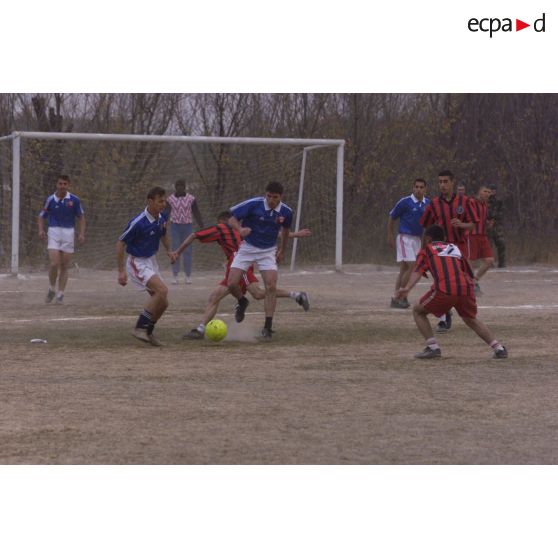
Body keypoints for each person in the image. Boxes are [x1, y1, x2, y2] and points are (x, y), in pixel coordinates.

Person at [169, 211, 311, 339]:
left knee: (257, 293)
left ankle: (243, 302)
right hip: (239, 264)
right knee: (217, 296)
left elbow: (194, 235)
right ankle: (200, 329)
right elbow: (275, 234)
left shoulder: (221, 227)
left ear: (222, 220)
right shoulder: (245, 227)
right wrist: (295, 234)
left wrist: (177, 252)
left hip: (239, 264)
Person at [397, 224, 508, 360]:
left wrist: (407, 288)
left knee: (418, 311)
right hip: (466, 289)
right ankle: (499, 348)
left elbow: (417, 271)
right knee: (471, 319)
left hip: (446, 290)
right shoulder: (454, 248)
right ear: (444, 238)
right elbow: (467, 270)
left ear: (427, 239)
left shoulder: (427, 250)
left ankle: (433, 348)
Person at [227, 181, 293, 339]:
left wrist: (282, 249)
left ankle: (268, 327)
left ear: (280, 197)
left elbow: (285, 232)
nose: (270, 200)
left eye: (274, 197)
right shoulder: (253, 204)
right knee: (231, 284)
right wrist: (240, 229)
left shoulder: (287, 212)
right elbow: (231, 219)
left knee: (270, 285)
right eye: (268, 196)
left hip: (268, 251)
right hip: (247, 248)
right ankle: (242, 302)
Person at [419, 170, 479, 333]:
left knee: (459, 279)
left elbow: (473, 224)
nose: (443, 185)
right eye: (440, 182)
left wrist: (461, 224)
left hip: (458, 247)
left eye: (446, 181)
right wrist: (424, 247)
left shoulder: (465, 201)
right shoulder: (434, 203)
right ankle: (444, 318)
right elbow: (426, 225)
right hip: (440, 248)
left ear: (452, 183)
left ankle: (467, 311)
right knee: (441, 279)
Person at [116, 186, 172, 346]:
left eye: (164, 200)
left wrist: (169, 250)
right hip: (137, 262)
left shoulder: (162, 217)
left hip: (151, 261)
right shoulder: (138, 222)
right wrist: (121, 272)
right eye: (160, 201)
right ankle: (139, 328)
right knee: (162, 291)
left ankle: (148, 332)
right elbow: (120, 243)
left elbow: (163, 233)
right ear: (150, 201)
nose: (163, 204)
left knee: (163, 302)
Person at [37, 174, 86, 304]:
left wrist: (81, 233)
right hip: (53, 231)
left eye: (65, 184)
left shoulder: (74, 200)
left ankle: (60, 294)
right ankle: (52, 288)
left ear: (68, 185)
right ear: (56, 185)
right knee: (54, 263)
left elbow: (81, 217)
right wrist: (41, 230)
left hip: (68, 233)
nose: (62, 186)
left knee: (64, 265)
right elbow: (41, 216)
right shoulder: (50, 200)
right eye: (60, 184)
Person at [387, 178, 429, 309]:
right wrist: (389, 235)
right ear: (413, 188)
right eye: (416, 187)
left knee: (404, 269)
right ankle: (400, 296)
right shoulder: (405, 202)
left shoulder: (428, 203)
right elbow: (392, 217)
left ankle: (397, 297)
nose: (418, 189)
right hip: (404, 238)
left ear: (425, 189)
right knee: (412, 265)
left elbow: (429, 223)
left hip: (417, 239)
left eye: (421, 187)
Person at [166, 179, 204, 284]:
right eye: (177, 186)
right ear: (175, 187)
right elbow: (166, 213)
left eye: (181, 186)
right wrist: (162, 224)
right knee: (176, 250)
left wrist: (202, 226)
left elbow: (196, 212)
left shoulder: (191, 198)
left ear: (184, 187)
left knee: (188, 251)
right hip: (175, 226)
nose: (179, 188)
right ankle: (175, 275)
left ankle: (188, 275)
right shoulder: (170, 199)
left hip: (188, 226)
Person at [468, 185, 495, 295]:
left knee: (489, 260)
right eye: (485, 191)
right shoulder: (471, 202)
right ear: (479, 192)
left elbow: (482, 222)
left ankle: (474, 280)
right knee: (471, 261)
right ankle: (471, 285)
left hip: (482, 236)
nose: (487, 194)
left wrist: (488, 224)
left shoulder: (485, 205)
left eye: (489, 192)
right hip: (472, 236)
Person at [487, 185, 506, 268]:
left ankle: (502, 264)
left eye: (494, 190)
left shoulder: (499, 201)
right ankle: (490, 264)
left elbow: (502, 212)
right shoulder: (485, 201)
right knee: (488, 246)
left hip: (497, 226)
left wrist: (494, 219)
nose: (493, 192)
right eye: (491, 190)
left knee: (501, 243)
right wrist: (487, 220)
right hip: (487, 226)